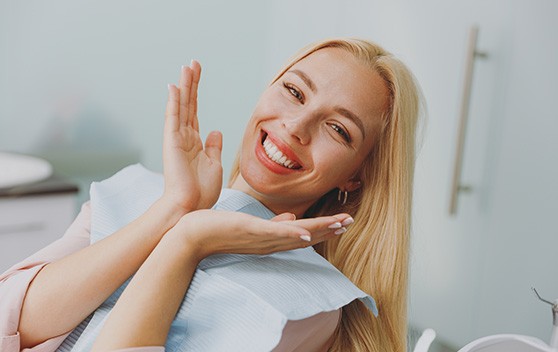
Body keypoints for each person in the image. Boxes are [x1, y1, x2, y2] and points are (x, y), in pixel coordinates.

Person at [0, 38, 422, 352]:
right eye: (294, 92)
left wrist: (187, 243)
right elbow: (12, 320)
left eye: (338, 129)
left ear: (355, 177)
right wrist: (173, 210)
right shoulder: (135, 196)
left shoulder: (308, 307)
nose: (296, 126)